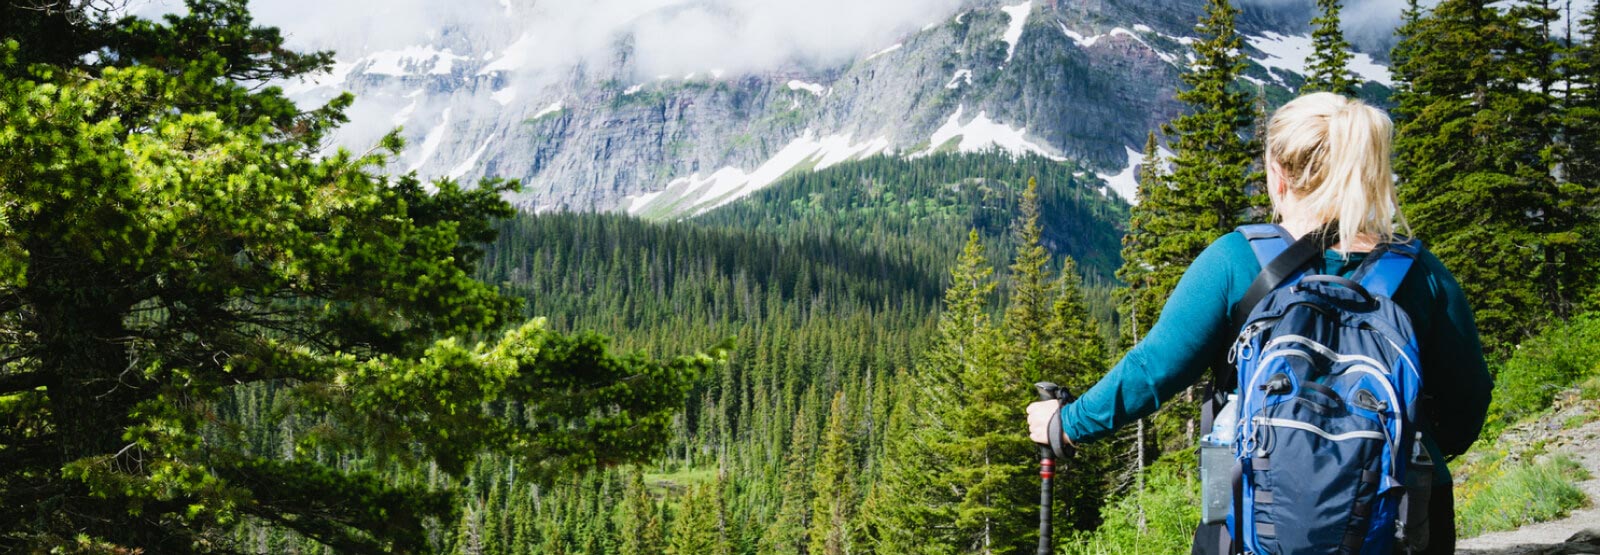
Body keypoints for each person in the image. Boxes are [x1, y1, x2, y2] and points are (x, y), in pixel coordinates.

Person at [1026, 92, 1492, 555]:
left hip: (1248, 506)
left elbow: (1154, 370)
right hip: (1405, 516)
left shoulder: (1236, 258)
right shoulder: (1420, 272)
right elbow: (1467, 404)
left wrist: (1067, 422)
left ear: (1278, 173)